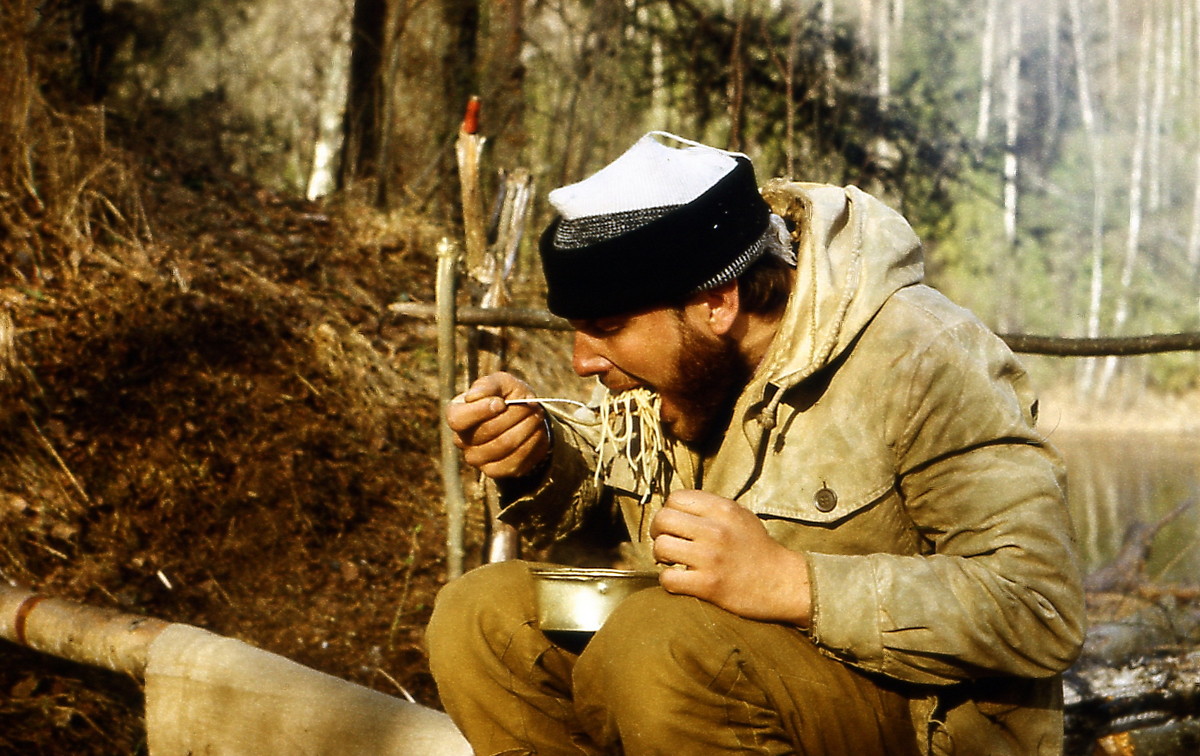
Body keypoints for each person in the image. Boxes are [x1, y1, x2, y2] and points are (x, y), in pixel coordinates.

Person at [425, 132, 1086, 756]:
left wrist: (793, 584)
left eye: (607, 328)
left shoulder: (922, 355)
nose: (581, 362)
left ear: (718, 302)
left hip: (920, 721)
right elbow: (610, 497)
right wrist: (540, 457)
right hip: (708, 675)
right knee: (478, 617)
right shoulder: (676, 367)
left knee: (660, 644)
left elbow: (1039, 607)